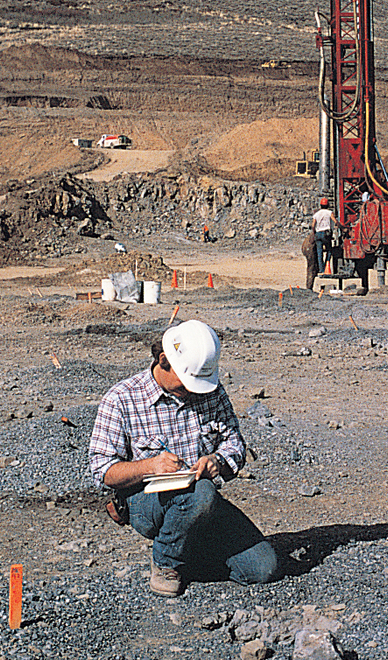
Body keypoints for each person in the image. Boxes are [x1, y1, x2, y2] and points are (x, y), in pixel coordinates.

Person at [89, 319, 278, 597]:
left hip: (203, 504)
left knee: (263, 569)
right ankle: (165, 562)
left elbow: (234, 444)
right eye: (185, 384)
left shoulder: (209, 392)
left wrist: (219, 461)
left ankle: (187, 550)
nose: (191, 391)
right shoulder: (122, 399)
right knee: (200, 492)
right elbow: (102, 471)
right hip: (147, 503)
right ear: (163, 361)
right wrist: (150, 466)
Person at [312, 197, 338, 272]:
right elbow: (335, 221)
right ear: (328, 205)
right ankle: (327, 264)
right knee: (329, 250)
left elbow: (313, 225)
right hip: (326, 234)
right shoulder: (329, 212)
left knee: (319, 252)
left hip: (318, 233)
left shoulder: (316, 214)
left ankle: (321, 269)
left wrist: (314, 232)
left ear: (320, 205)